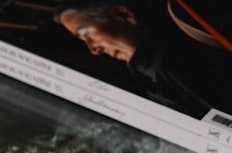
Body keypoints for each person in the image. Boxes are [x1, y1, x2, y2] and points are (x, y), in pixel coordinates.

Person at [53, 0, 232, 117]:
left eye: (87, 35)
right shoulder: (150, 74)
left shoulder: (172, 62)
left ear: (123, 15)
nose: (93, 49)